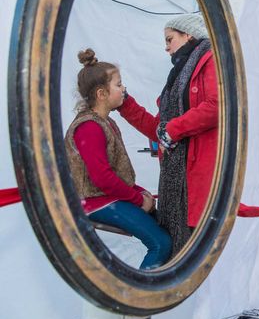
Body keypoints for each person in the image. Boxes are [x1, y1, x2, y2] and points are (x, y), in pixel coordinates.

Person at [118, 14, 217, 253]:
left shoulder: (211, 61)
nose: (166, 47)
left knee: (193, 252)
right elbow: (159, 129)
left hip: (197, 177)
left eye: (170, 39)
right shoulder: (175, 79)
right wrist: (125, 104)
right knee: (175, 247)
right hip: (174, 177)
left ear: (188, 35)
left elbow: (218, 106)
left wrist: (172, 130)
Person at [65, 49, 172, 270]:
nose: (124, 89)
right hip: (94, 203)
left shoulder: (106, 123)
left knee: (163, 228)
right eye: (119, 84)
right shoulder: (89, 127)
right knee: (161, 243)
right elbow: (102, 178)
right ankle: (138, 299)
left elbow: (115, 174)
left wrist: (140, 192)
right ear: (102, 94)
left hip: (106, 197)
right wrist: (137, 199)